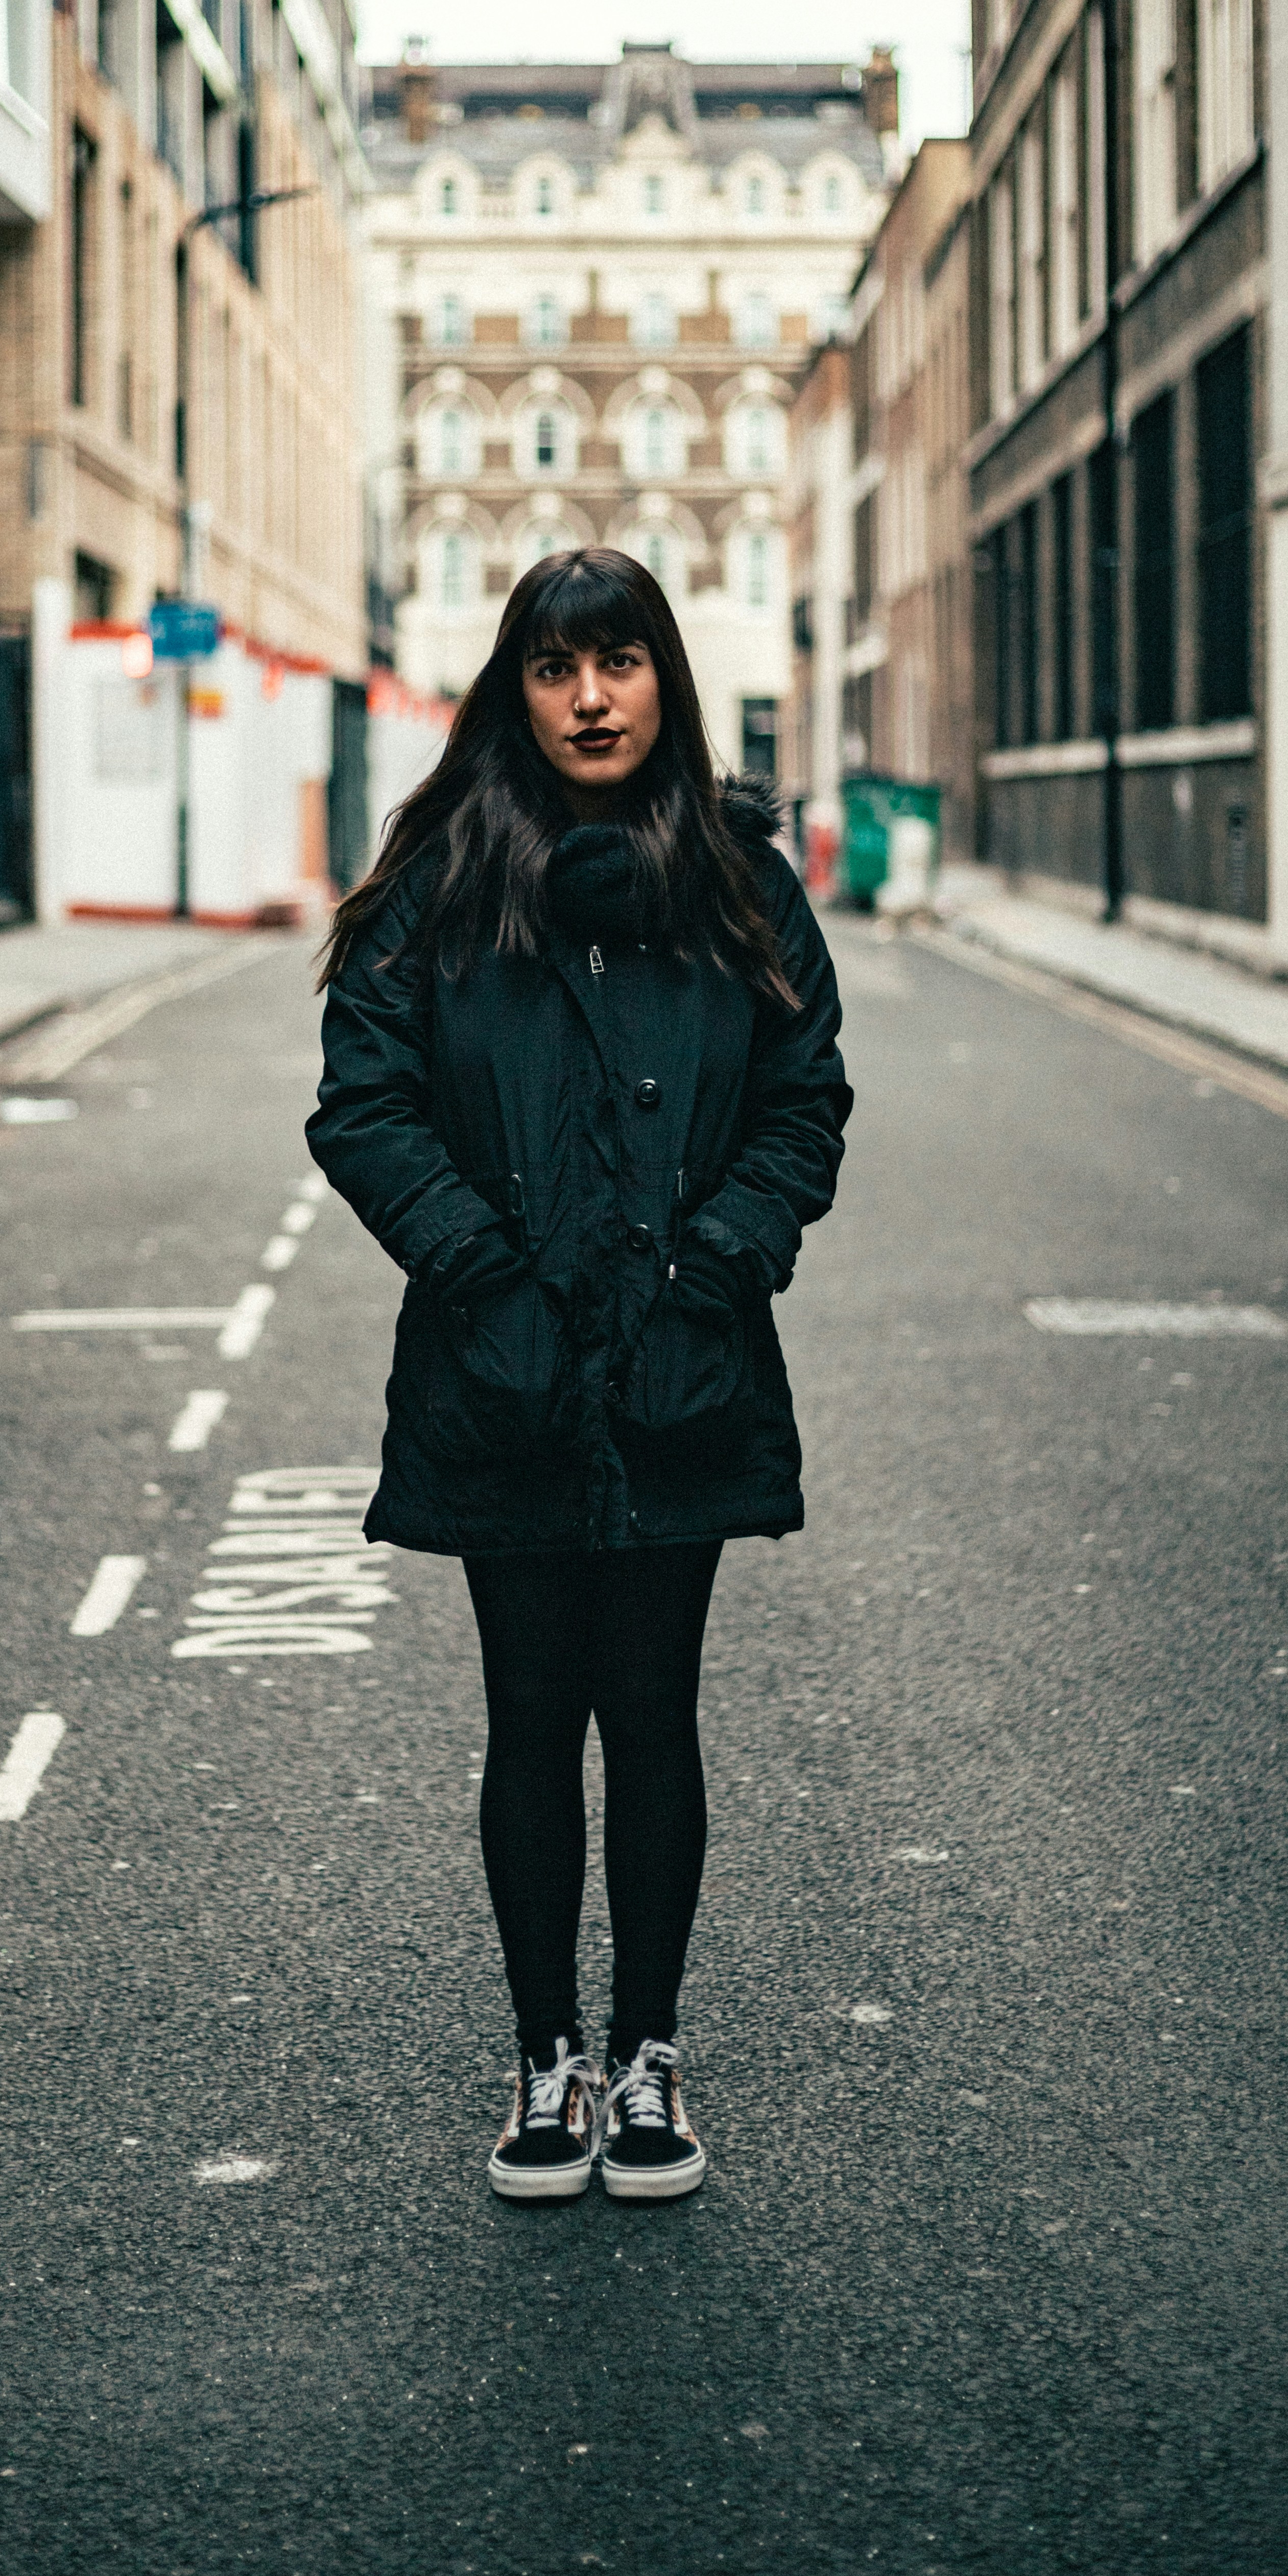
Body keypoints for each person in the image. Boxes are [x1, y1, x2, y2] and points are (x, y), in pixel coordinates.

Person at [307, 547, 850, 2202]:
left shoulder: (740, 885)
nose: (591, 698)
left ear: (665, 678)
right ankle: (549, 2063)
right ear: (514, 688)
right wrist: (481, 1272)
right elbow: (364, 1104)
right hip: (508, 1367)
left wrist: (712, 1270)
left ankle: (650, 2060)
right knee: (533, 1716)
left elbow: (801, 1102)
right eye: (556, 670)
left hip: (682, 1363)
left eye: (619, 663)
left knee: (655, 1715)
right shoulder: (441, 879)